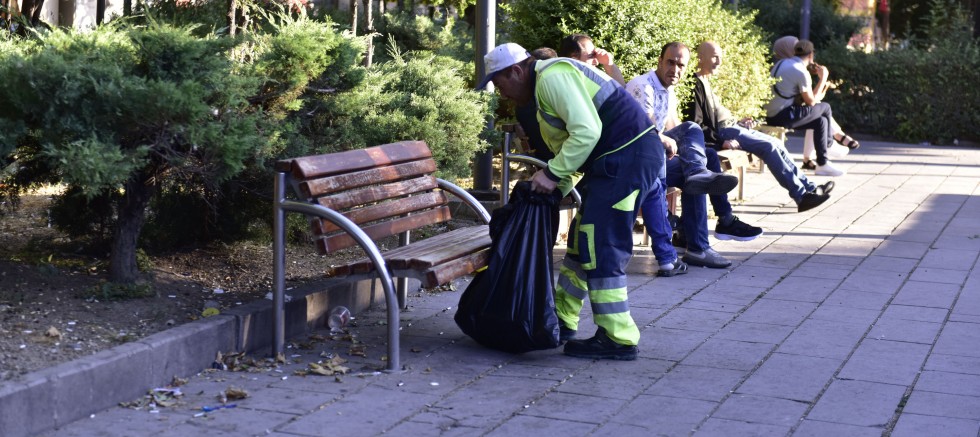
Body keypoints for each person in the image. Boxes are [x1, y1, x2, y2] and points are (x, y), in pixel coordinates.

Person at [477, 42, 664, 360]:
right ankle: (563, 320)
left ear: (517, 71)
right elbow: (575, 147)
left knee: (602, 244)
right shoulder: (543, 87)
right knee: (581, 241)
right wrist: (556, 185)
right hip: (616, 161)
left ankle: (618, 336)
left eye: (499, 82)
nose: (501, 93)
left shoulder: (551, 77)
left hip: (626, 159)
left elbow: (586, 132)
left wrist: (551, 175)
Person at [626, 42, 754, 269]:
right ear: (659, 61)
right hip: (637, 161)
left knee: (708, 160)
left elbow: (674, 130)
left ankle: (712, 229)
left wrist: (690, 155)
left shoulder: (668, 90)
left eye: (680, 65)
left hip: (658, 159)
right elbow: (645, 130)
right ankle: (701, 242)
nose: (675, 69)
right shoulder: (642, 86)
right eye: (670, 62)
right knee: (693, 135)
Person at [688, 41, 834, 212]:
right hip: (725, 132)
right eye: (714, 57)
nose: (719, 62)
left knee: (777, 143)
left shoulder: (706, 81)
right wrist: (721, 142)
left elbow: (715, 115)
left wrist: (739, 121)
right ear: (700, 57)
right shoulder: (695, 84)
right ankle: (801, 196)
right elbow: (696, 124)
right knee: (769, 147)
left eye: (720, 57)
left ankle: (809, 188)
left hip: (733, 127)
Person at [772, 36, 860, 171]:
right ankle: (829, 143)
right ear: (811, 54)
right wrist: (823, 78)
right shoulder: (799, 70)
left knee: (820, 121)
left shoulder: (781, 64)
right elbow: (811, 102)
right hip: (782, 116)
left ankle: (822, 163)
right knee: (825, 107)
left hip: (775, 114)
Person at [558, 34, 627, 86]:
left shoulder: (593, 80)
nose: (596, 62)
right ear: (574, 59)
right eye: (591, 56)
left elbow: (622, 93)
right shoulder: (565, 86)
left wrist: (608, 64)